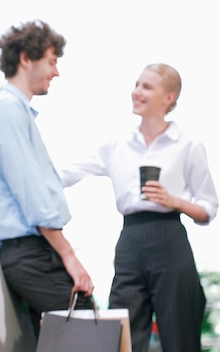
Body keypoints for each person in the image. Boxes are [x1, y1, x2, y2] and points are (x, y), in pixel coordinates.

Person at [59, 63, 219, 352]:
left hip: (171, 237)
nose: (136, 92)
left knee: (181, 334)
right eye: (136, 85)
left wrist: (175, 202)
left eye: (146, 87)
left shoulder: (187, 146)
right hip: (130, 241)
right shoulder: (117, 145)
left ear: (169, 97)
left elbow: (208, 209)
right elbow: (65, 174)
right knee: (124, 334)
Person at [0, 19, 95, 341]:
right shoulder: (6, 110)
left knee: (53, 337)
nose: (57, 72)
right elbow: (32, 195)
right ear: (27, 58)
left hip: (31, 250)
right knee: (84, 324)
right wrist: (69, 255)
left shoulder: (11, 112)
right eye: (52, 61)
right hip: (29, 251)